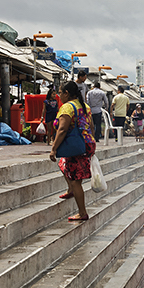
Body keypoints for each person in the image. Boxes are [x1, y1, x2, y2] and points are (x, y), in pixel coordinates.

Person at [49, 81, 95, 221]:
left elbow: (62, 130)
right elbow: (92, 127)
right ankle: (70, 189)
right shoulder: (85, 106)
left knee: (76, 181)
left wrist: (53, 149)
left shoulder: (67, 107)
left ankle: (82, 213)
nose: (59, 96)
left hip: (75, 146)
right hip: (86, 143)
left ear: (66, 93)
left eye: (60, 93)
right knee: (63, 164)